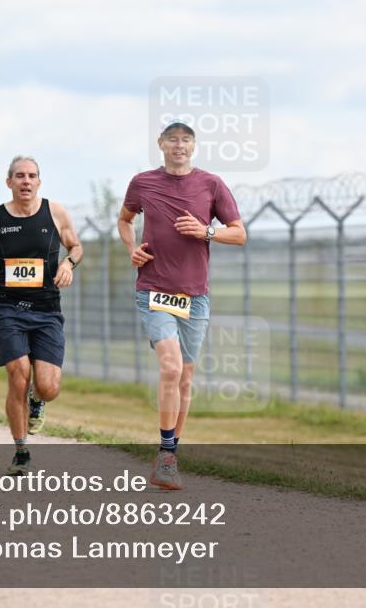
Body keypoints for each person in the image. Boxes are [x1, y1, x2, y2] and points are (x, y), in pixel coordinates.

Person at [117, 123, 246, 490]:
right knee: (171, 368)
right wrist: (132, 248)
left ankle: (168, 457)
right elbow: (125, 220)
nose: (179, 145)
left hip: (195, 295)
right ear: (161, 145)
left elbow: (239, 233)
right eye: (172, 139)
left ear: (193, 146)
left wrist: (206, 231)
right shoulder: (142, 182)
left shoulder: (211, 184)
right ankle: (167, 456)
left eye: (185, 140)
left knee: (186, 377)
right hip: (154, 289)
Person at [0, 156, 82, 475]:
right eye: (19, 176)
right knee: (18, 373)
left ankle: (38, 399)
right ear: (9, 182)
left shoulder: (55, 212)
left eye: (32, 176)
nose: (26, 181)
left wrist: (67, 264)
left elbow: (75, 247)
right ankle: (21, 451)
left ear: (39, 181)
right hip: (8, 307)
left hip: (47, 309)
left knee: (48, 387)